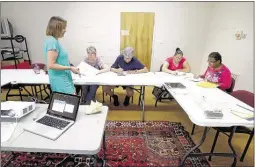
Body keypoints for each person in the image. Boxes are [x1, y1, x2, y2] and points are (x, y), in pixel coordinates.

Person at [43, 16, 80, 95]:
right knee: (70, 102)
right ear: (56, 28)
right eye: (63, 28)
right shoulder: (52, 42)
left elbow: (59, 59)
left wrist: (69, 63)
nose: (65, 30)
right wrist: (70, 68)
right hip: (61, 81)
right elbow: (51, 65)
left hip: (63, 78)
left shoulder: (54, 41)